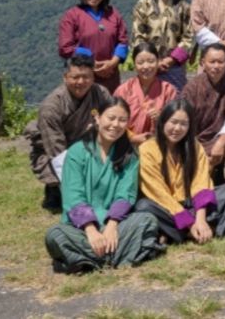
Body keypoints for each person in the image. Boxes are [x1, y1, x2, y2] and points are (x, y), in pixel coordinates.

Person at [45, 98, 161, 273]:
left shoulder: (130, 155)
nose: (115, 125)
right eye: (111, 118)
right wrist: (91, 230)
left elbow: (126, 194)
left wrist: (112, 226)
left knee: (147, 220)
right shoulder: (77, 151)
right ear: (98, 118)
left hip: (115, 224)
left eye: (122, 120)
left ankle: (90, 260)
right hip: (80, 227)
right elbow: (73, 195)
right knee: (55, 234)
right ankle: (117, 256)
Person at [135, 99, 225, 243]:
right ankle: (194, 230)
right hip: (167, 207)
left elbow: (201, 181)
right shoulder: (147, 149)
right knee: (144, 207)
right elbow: (157, 192)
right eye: (173, 122)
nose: (177, 128)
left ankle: (177, 232)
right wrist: (189, 223)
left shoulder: (194, 146)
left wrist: (201, 218)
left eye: (183, 124)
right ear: (163, 121)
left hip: (192, 203)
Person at [26, 54, 112, 211]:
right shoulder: (52, 106)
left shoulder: (101, 94)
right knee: (65, 194)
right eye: (75, 77)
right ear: (65, 77)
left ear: (93, 77)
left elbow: (113, 122)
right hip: (56, 151)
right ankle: (55, 190)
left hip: (91, 147)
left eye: (86, 77)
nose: (81, 82)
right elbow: (56, 150)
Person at [179, 43, 225, 183]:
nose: (216, 66)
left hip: (218, 139)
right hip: (193, 139)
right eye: (212, 61)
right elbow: (183, 118)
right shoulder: (192, 87)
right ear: (203, 63)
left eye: (220, 62)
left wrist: (220, 143)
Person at [58, 0, 129, 92]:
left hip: (110, 77)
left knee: (109, 108)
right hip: (82, 78)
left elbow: (123, 42)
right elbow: (65, 47)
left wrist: (112, 63)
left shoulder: (113, 14)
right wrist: (91, 60)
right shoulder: (72, 15)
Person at [131, 0, 195, 90]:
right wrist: (152, 61)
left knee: (175, 105)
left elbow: (189, 38)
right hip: (147, 67)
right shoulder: (143, 5)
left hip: (174, 67)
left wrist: (171, 60)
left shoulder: (183, 7)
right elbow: (137, 36)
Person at [114, 42, 178, 145]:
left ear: (158, 62)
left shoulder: (168, 91)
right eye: (140, 62)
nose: (146, 66)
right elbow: (113, 120)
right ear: (134, 65)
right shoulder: (123, 90)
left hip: (158, 146)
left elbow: (176, 122)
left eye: (151, 61)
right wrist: (132, 138)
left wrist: (161, 118)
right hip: (126, 146)